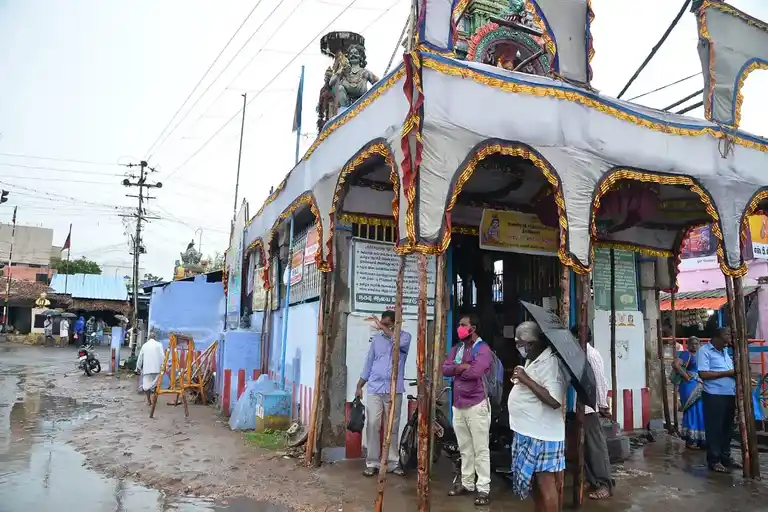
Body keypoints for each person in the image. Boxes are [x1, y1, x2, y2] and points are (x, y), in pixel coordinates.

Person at [508, 321, 568, 512]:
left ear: (532, 343)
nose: (519, 347)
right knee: (536, 484)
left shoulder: (552, 364)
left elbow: (554, 400)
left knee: (546, 483)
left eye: (521, 343)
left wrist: (526, 379)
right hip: (528, 431)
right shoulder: (534, 358)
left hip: (542, 434)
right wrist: (522, 379)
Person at [442, 314, 493, 506]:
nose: (459, 328)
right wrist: (461, 367)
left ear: (473, 328)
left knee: (480, 449)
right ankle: (467, 483)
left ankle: (483, 488)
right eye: (459, 325)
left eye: (463, 325)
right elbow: (445, 369)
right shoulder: (457, 348)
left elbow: (475, 372)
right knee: (465, 448)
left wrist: (460, 369)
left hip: (476, 404)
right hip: (459, 404)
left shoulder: (483, 349)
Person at [355, 310, 411, 477]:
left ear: (395, 323)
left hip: (395, 390)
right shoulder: (377, 341)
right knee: (372, 425)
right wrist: (359, 385)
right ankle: (372, 462)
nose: (382, 327)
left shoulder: (405, 337)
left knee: (392, 428)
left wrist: (383, 327)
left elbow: (397, 341)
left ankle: (393, 463)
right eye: (382, 323)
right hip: (375, 388)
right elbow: (368, 363)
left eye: (386, 324)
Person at [570, 325, 612, 500]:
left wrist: (602, 405)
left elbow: (600, 381)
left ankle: (605, 483)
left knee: (595, 448)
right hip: (580, 408)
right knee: (582, 447)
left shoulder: (592, 355)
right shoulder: (577, 355)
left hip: (590, 408)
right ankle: (590, 479)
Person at [697, 328, 739, 473]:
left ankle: (725, 457)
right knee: (715, 428)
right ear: (716, 337)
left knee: (727, 428)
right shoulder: (704, 351)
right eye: (726, 335)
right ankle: (714, 460)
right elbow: (703, 374)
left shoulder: (726, 352)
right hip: (714, 395)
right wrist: (728, 373)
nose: (729, 338)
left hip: (729, 394)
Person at [672, 336, 706, 449]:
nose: (694, 346)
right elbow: (675, 364)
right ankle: (690, 440)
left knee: (700, 410)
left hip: (699, 385)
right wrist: (686, 375)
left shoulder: (700, 355)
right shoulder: (686, 354)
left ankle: (699, 438)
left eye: (697, 343)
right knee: (691, 410)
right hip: (689, 385)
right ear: (687, 344)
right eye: (692, 343)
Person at [136, 333, 165, 405]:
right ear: (155, 338)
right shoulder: (159, 345)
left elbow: (140, 358)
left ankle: (149, 401)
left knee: (146, 386)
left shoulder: (144, 345)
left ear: (148, 338)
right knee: (156, 385)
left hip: (147, 369)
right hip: (157, 369)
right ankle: (154, 400)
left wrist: (138, 368)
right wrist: (163, 366)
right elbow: (162, 356)